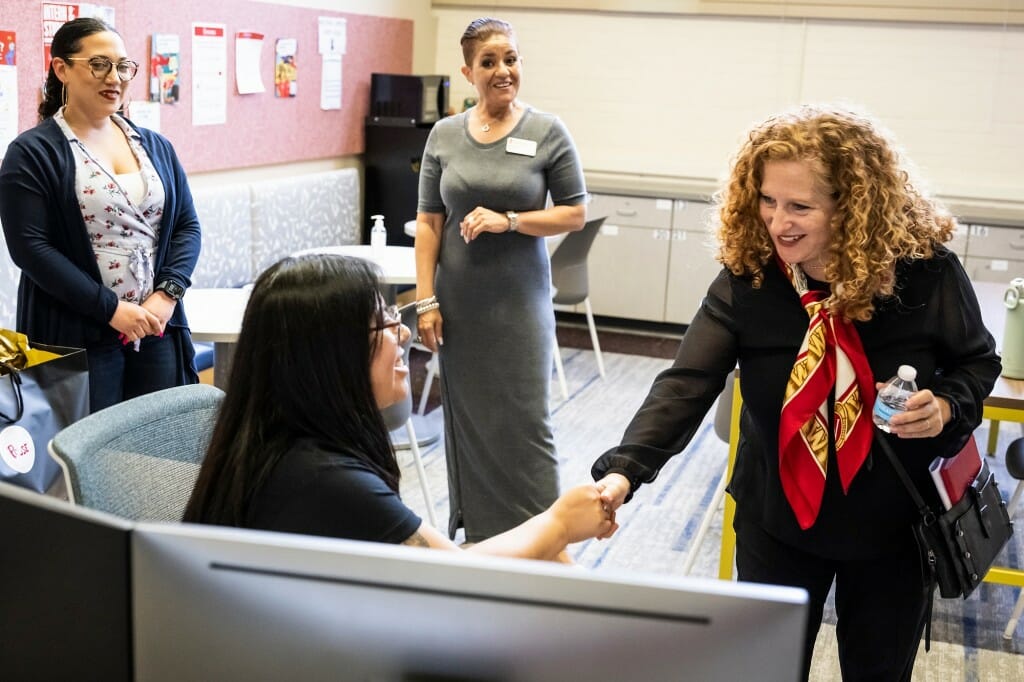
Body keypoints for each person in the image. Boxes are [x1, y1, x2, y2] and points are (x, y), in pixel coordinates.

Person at [592, 104, 1001, 681]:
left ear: (853, 208)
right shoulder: (751, 276)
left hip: (893, 526)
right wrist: (625, 469)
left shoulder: (925, 273)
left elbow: (978, 361)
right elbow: (687, 382)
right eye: (767, 200)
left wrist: (948, 407)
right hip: (777, 515)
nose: (777, 221)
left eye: (799, 206)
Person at [184, 254, 615, 560]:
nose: (403, 335)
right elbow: (456, 578)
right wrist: (559, 523)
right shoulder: (325, 479)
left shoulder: (280, 441)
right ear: (331, 356)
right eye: (385, 324)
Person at [415, 17, 587, 542]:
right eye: (488, 62)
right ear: (469, 71)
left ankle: (543, 538)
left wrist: (508, 220)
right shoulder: (444, 135)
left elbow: (575, 214)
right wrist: (425, 301)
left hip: (519, 305)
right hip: (459, 306)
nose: (502, 70)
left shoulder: (547, 131)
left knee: (525, 422)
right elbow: (428, 221)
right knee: (467, 423)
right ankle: (484, 539)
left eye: (510, 59)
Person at [0, 18, 201, 413]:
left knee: (157, 448)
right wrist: (110, 309)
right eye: (99, 64)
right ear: (62, 70)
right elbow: (31, 250)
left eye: (124, 66)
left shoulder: (155, 146)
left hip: (155, 327)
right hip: (78, 333)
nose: (115, 77)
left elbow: (186, 227)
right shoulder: (33, 153)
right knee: (87, 454)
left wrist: (169, 293)